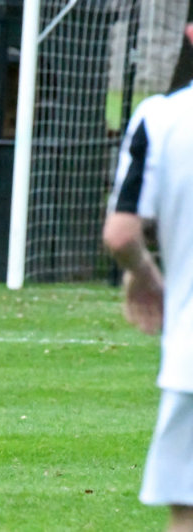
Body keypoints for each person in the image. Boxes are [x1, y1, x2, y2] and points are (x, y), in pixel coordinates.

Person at [103, 21, 193, 532]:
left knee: (187, 511)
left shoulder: (161, 118)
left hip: (190, 356)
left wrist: (144, 276)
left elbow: (121, 234)